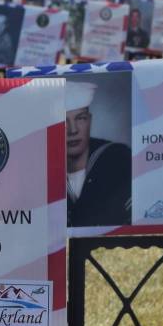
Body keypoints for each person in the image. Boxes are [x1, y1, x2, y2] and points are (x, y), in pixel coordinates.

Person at [65, 82, 131, 227]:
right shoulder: (41, 169)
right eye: (63, 121)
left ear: (90, 120)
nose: (73, 130)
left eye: (80, 118)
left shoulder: (119, 161)